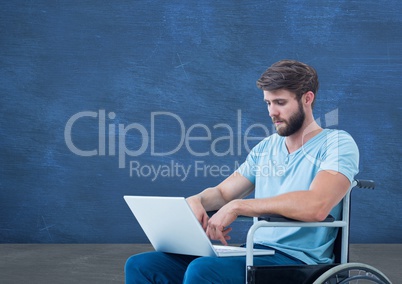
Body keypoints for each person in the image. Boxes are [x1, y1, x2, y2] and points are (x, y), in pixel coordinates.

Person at [125, 59, 359, 283]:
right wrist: (197, 200)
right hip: (256, 253)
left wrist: (238, 206)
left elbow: (316, 205)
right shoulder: (266, 148)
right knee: (141, 266)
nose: (271, 112)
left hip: (298, 261)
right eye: (268, 103)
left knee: (204, 271)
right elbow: (224, 193)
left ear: (307, 98)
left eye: (280, 102)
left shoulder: (337, 144)